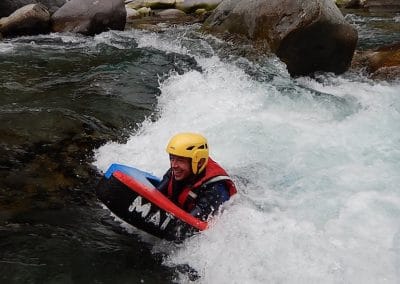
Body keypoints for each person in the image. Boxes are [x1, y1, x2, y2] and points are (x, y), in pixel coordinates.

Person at [157, 132, 237, 222]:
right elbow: (156, 194)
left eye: (180, 160)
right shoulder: (179, 171)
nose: (174, 165)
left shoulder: (215, 188)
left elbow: (190, 224)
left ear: (199, 162)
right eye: (172, 158)